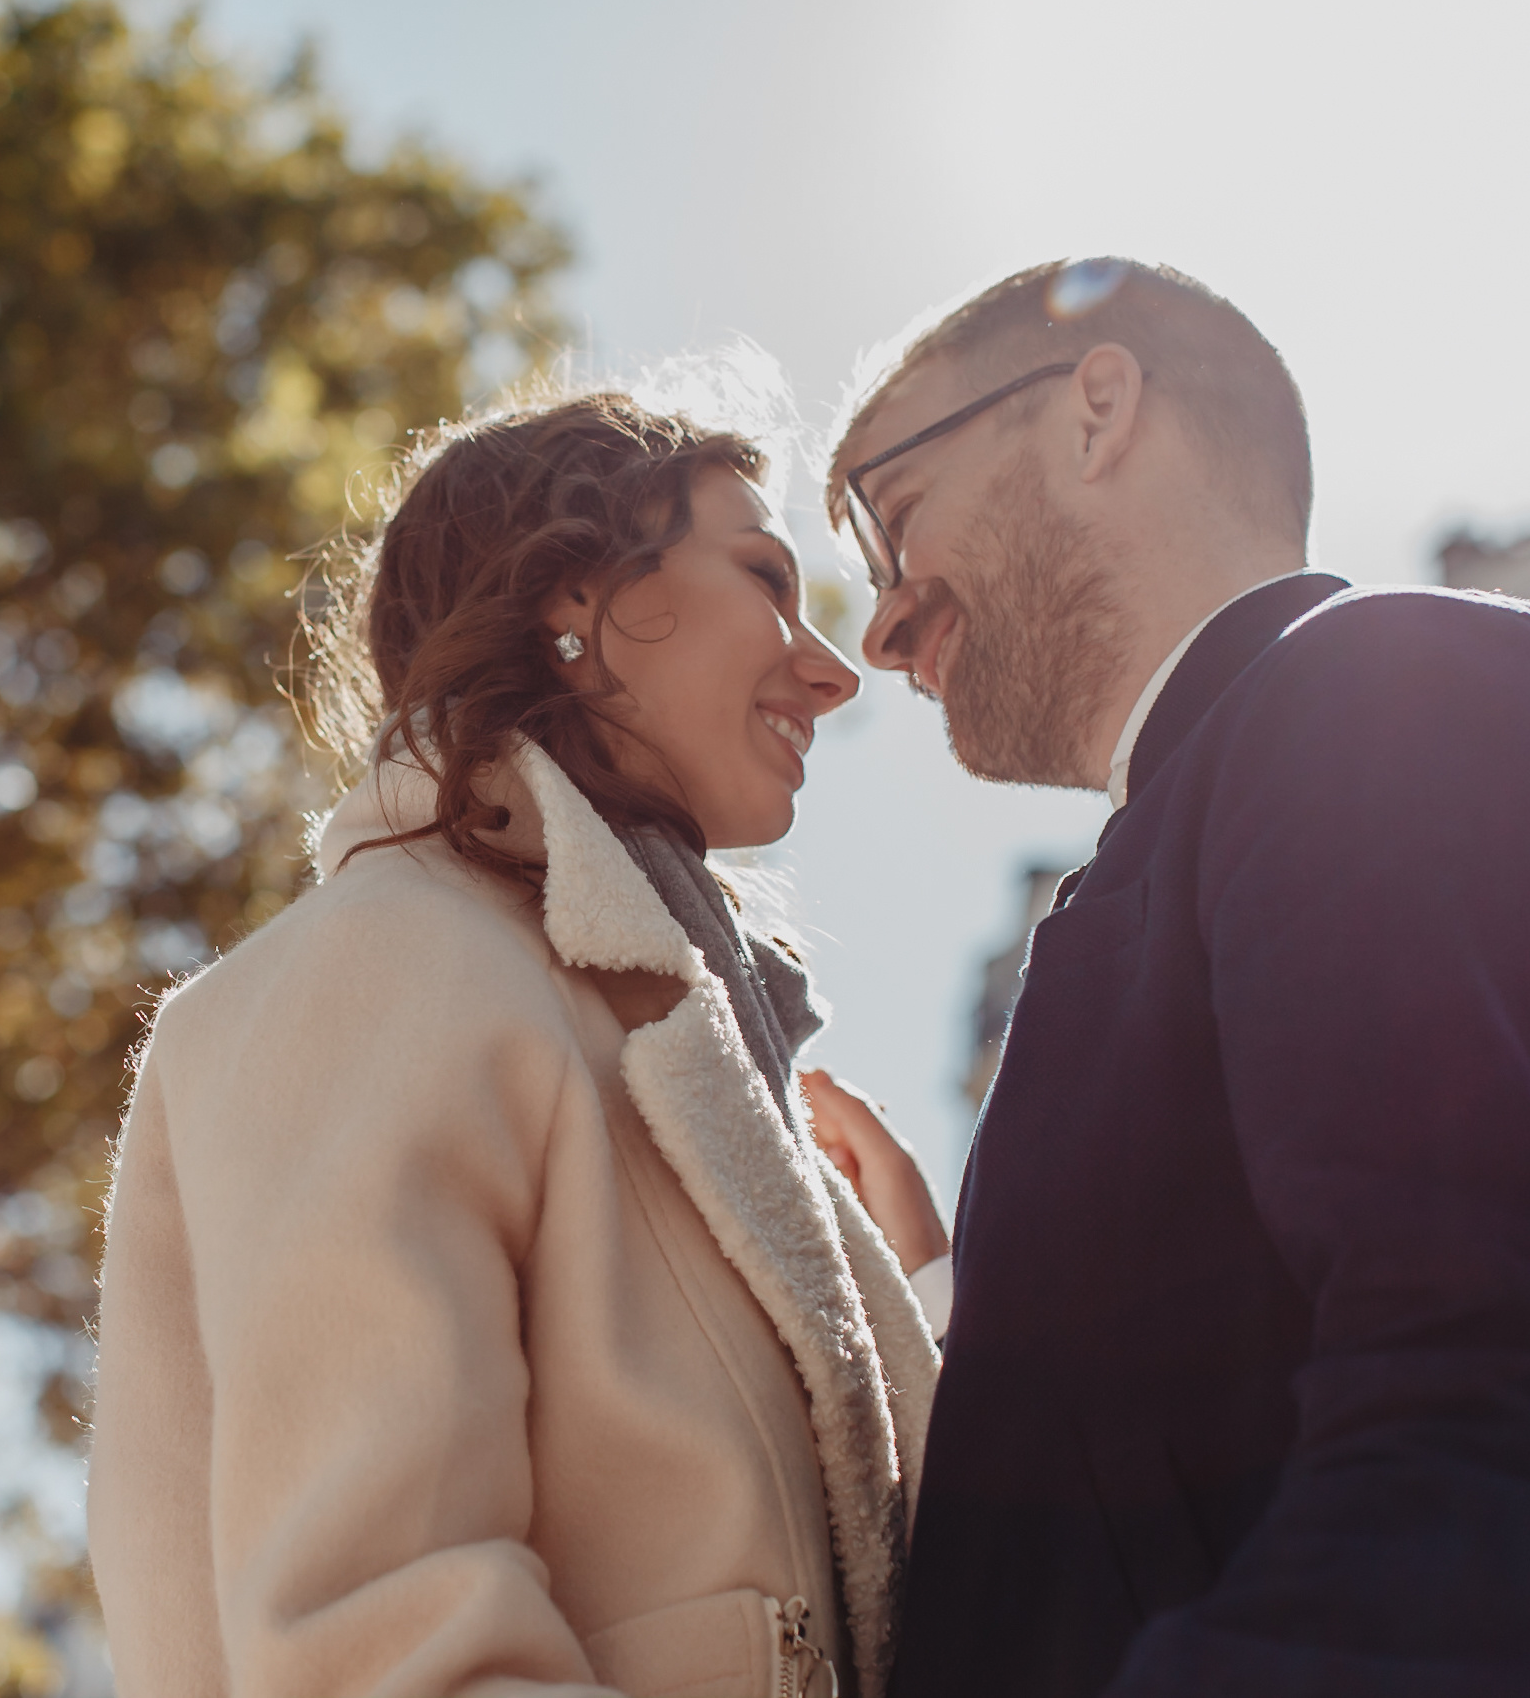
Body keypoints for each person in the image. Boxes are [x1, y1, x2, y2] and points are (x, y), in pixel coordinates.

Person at [814, 256, 1530, 1698]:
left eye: (892, 519)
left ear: (1095, 408)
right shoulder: (1226, 805)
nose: (881, 624)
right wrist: (969, 1304)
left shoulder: (1384, 703)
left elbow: (1515, 1454)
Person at [88, 390, 954, 1698]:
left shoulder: (692, 1066)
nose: (831, 668)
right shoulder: (384, 966)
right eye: (767, 577)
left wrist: (924, 1291)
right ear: (574, 594)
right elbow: (382, 1645)